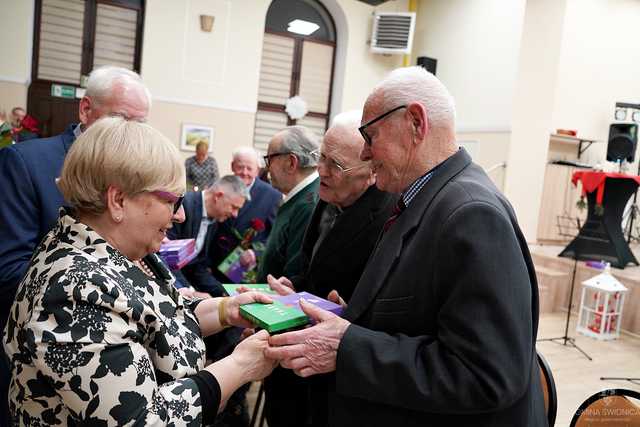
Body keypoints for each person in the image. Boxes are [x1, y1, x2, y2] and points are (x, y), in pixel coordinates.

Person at [265, 66, 546, 426]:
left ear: (416, 122)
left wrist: (348, 347)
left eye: (370, 135)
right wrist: (353, 317)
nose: (365, 153)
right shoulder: (426, 199)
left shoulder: (472, 213)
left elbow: (486, 374)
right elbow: (424, 317)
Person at [4, 117, 278, 425]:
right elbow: (143, 419)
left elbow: (156, 315)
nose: (181, 215)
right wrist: (240, 366)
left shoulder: (118, 250)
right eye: (172, 201)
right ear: (118, 200)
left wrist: (227, 309)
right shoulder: (75, 289)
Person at [0, 65, 151, 425]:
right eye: (120, 118)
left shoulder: (132, 174)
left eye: (139, 124)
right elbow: (8, 270)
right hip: (34, 365)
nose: (129, 132)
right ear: (85, 110)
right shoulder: (26, 162)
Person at [266, 110, 397, 427]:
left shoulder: (389, 218)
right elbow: (313, 266)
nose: (321, 170)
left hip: (339, 374)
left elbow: (382, 304)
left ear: (370, 172)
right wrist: (293, 286)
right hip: (299, 356)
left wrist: (345, 311)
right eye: (320, 157)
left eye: (335, 165)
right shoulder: (328, 194)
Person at [258, 125, 320, 427]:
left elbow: (294, 275)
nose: (265, 167)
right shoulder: (297, 199)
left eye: (269, 158)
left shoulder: (308, 203)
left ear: (291, 162)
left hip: (285, 327)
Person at [167, 176, 249, 297]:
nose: (235, 214)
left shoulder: (215, 219)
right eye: (234, 207)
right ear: (218, 196)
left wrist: (224, 292)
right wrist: (190, 292)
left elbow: (196, 265)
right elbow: (167, 257)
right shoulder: (184, 206)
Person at [211, 146, 282, 283]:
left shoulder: (272, 196)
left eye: (249, 168)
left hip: (247, 271)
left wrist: (256, 253)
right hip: (215, 269)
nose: (244, 173)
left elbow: (276, 237)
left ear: (258, 170)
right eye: (240, 167)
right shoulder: (220, 187)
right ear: (232, 166)